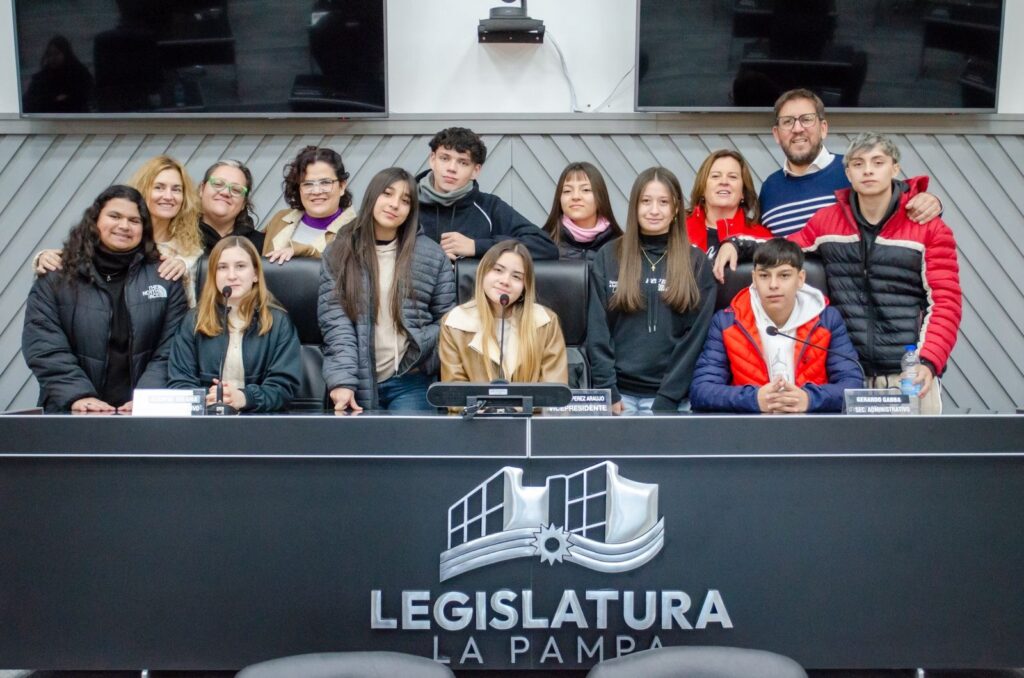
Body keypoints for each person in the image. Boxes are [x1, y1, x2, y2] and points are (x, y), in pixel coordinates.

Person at [717, 133, 962, 414]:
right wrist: (736, 244)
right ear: (847, 173)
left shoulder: (929, 229)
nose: (867, 170)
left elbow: (946, 302)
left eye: (878, 162)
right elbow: (784, 249)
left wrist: (928, 361)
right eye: (858, 164)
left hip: (909, 375)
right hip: (850, 376)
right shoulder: (829, 221)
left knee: (915, 445)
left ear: (895, 168)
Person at [22, 185, 188, 413]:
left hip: (143, 416)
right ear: (95, 220)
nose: (124, 226)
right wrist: (79, 396)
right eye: (115, 216)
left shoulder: (165, 277)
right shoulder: (56, 277)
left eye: (134, 220)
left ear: (144, 228)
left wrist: (147, 399)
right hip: (72, 411)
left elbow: (173, 347)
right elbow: (43, 344)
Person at [319, 167, 456, 412]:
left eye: (405, 200)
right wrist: (343, 381)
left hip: (410, 381)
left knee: (411, 438)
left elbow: (447, 321)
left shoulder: (432, 255)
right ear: (372, 196)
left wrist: (423, 359)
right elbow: (336, 325)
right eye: (387, 194)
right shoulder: (338, 252)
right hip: (357, 380)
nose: (395, 205)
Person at [587, 167, 716, 414]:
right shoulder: (609, 256)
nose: (654, 210)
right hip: (618, 397)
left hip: (672, 400)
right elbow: (597, 329)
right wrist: (607, 389)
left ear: (676, 208)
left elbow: (695, 340)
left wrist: (668, 398)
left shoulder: (697, 263)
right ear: (634, 206)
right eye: (646, 201)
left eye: (663, 202)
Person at [691, 239, 863, 413]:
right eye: (764, 276)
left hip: (811, 423)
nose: (773, 285)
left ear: (800, 278)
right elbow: (702, 390)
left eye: (784, 275)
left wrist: (809, 399)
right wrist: (753, 399)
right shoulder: (726, 322)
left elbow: (853, 386)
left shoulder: (827, 320)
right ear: (754, 279)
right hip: (751, 424)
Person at [758, 88, 941, 236]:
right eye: (787, 122)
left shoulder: (854, 171)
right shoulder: (769, 189)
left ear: (823, 128)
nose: (797, 128)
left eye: (806, 119)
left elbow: (906, 203)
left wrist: (931, 202)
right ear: (776, 134)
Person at [34, 156, 205, 306]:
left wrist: (184, 270)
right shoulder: (119, 238)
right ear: (143, 190)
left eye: (176, 189)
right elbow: (81, 259)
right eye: (159, 187)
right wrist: (45, 258)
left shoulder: (191, 253)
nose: (168, 196)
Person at [168, 237, 301, 413]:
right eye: (222, 267)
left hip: (260, 421)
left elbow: (284, 387)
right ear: (213, 275)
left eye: (240, 266)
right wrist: (209, 398)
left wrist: (244, 397)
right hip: (206, 421)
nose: (231, 276)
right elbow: (179, 382)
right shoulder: (193, 320)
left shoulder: (278, 322)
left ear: (255, 274)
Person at [416, 127, 558, 261]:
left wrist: (476, 246)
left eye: (463, 162)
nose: (451, 168)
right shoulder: (408, 202)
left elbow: (545, 246)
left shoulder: (489, 207)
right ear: (432, 160)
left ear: (475, 171)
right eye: (445, 158)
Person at [439, 240, 568, 383]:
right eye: (498, 270)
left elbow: (554, 389)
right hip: (475, 400)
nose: (505, 281)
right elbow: (455, 390)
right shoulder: (454, 323)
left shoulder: (545, 322)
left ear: (525, 286)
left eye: (516, 276)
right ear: (483, 272)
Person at [263, 145, 357, 264]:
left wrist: (304, 251)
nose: (316, 191)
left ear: (342, 186)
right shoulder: (280, 220)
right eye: (308, 184)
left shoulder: (358, 231)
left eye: (325, 182)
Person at [685, 149, 772, 258]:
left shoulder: (761, 237)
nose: (724, 182)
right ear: (702, 188)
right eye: (715, 176)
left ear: (743, 192)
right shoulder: (678, 228)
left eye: (732, 177)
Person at [541, 161, 623, 262]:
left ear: (600, 196)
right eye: (567, 191)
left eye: (585, 190)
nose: (575, 197)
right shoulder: (543, 243)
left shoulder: (622, 245)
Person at [198, 159, 265, 254]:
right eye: (218, 184)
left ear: (244, 203)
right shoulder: (178, 238)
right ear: (202, 189)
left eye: (236, 190)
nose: (225, 192)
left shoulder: (262, 246)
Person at [22, 35, 94, 114]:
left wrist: (67, 99)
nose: (53, 58)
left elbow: (86, 94)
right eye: (49, 54)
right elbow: (29, 100)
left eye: (56, 53)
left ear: (65, 54)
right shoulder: (42, 77)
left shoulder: (79, 73)